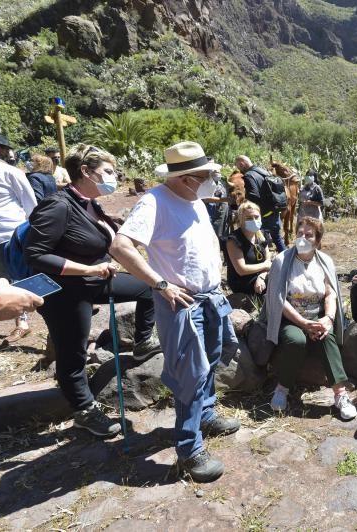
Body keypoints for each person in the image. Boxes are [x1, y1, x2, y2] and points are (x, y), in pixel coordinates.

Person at [111, 141, 241, 483]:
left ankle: (206, 415)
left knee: (209, 363)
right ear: (185, 178)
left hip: (209, 298)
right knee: (190, 376)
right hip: (183, 304)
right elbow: (121, 246)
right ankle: (189, 449)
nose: (213, 179)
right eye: (206, 175)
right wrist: (160, 283)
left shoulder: (193, 199)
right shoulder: (155, 202)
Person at [24, 144, 161, 438]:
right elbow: (35, 254)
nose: (115, 177)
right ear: (85, 172)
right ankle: (85, 411)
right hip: (64, 293)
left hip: (95, 281)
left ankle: (141, 343)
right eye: (108, 171)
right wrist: (88, 269)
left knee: (149, 289)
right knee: (73, 355)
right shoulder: (58, 205)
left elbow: (105, 243)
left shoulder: (91, 203)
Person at [264, 217, 357, 420]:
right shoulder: (282, 260)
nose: (303, 238)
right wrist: (304, 324)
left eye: (309, 235)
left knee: (327, 336)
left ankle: (340, 394)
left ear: (317, 240)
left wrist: (329, 319)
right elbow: (279, 300)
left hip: (317, 316)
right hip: (291, 318)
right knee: (295, 340)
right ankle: (283, 388)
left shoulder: (324, 261)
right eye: (299, 233)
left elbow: (330, 293)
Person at [0, 134, 37, 343]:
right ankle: (21, 320)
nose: (6, 151)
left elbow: (31, 205)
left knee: (23, 278)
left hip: (10, 236)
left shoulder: (8, 172)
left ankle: (26, 323)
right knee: (2, 279)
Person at [236, 155, 286, 252]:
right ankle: (287, 262)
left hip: (262, 217)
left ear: (242, 164)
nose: (239, 170)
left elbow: (254, 196)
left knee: (259, 242)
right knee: (278, 239)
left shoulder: (249, 175)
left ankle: (262, 264)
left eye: (239, 167)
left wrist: (246, 207)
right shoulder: (264, 171)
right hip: (274, 212)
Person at [225, 201, 272, 297]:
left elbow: (268, 261)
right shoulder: (234, 240)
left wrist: (262, 277)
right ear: (241, 220)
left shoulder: (262, 235)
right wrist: (265, 266)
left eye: (256, 217)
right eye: (249, 218)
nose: (254, 220)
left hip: (261, 277)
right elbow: (241, 270)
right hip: (243, 282)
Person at [201, 164, 231, 241]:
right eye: (214, 170)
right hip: (209, 212)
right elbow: (204, 198)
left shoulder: (222, 182)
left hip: (221, 213)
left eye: (218, 170)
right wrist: (224, 199)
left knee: (220, 233)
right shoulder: (203, 183)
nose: (217, 171)